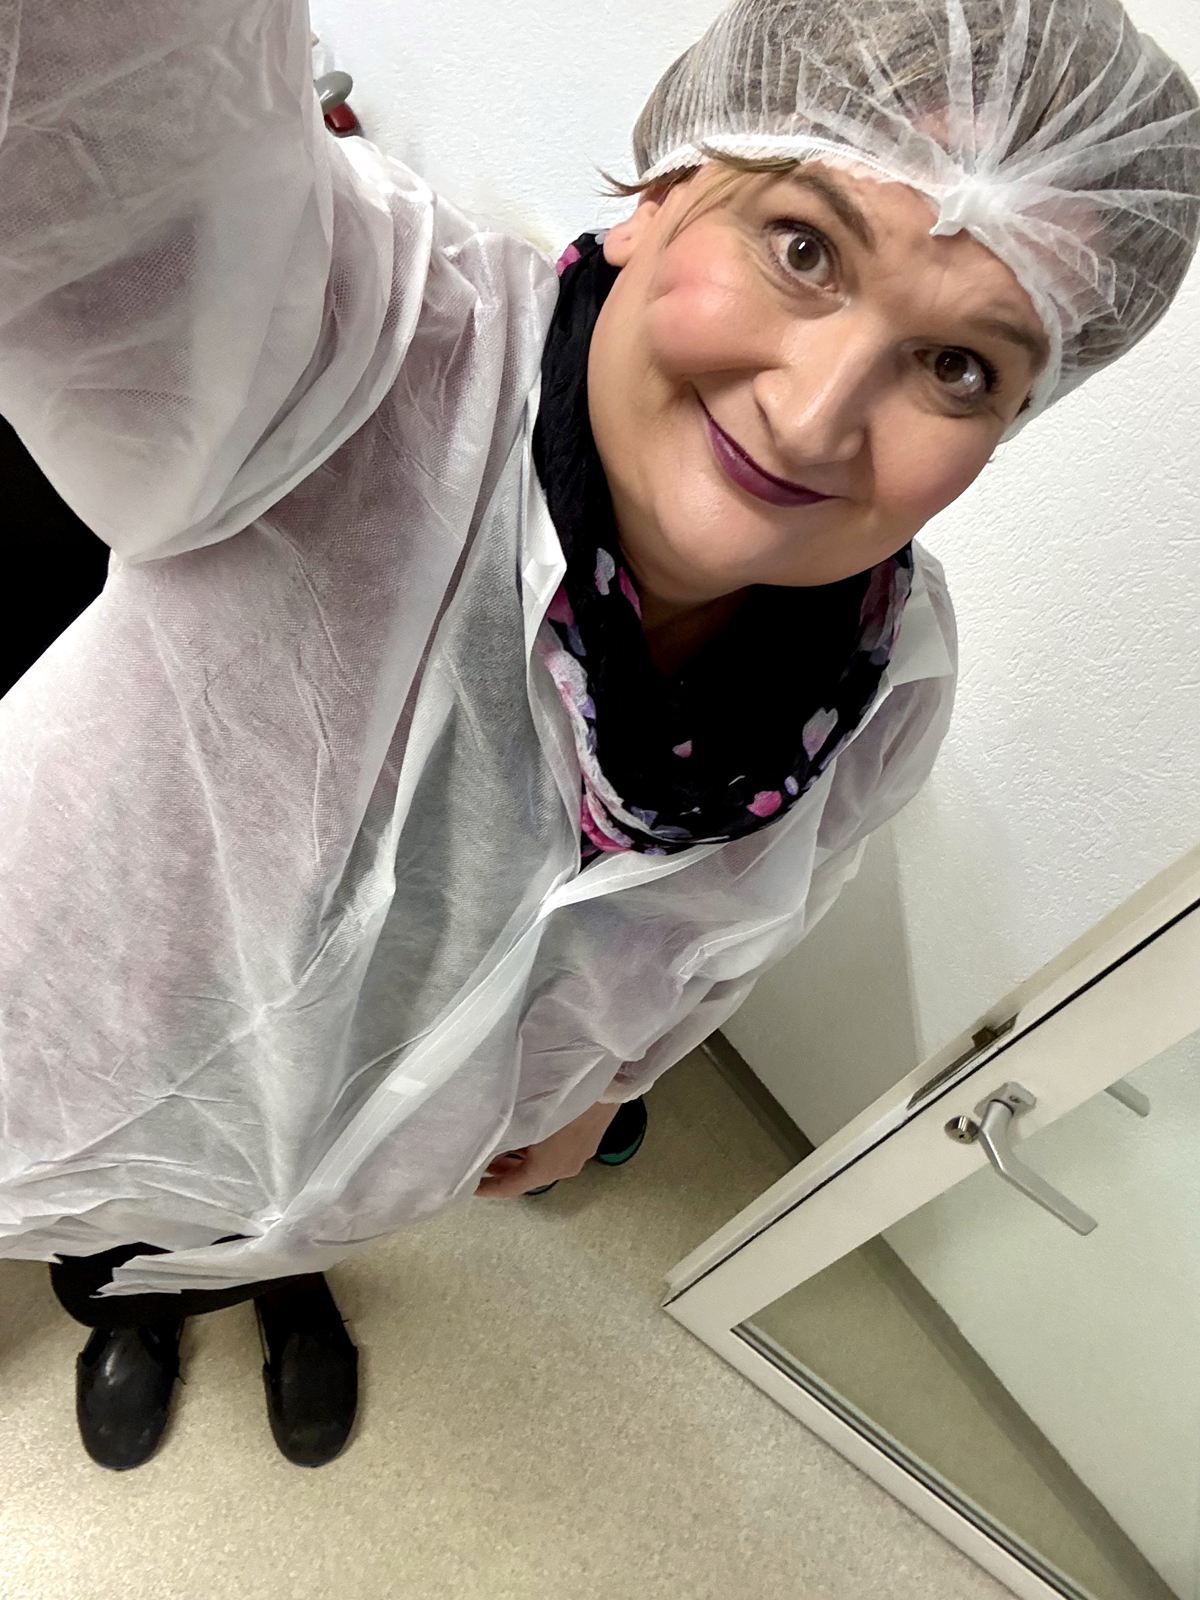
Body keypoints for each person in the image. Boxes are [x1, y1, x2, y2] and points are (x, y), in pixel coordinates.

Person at [0, 0, 1196, 1471]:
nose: (815, 419)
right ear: (663, 191)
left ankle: (288, 1280)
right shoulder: (345, 353)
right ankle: (127, 1309)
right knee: (132, 1235)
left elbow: (732, 940)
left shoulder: (887, 676)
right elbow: (82, 90)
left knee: (291, 1216)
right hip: (131, 1051)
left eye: (960, 367)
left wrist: (609, 1091)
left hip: (387, 1144)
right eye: (804, 248)